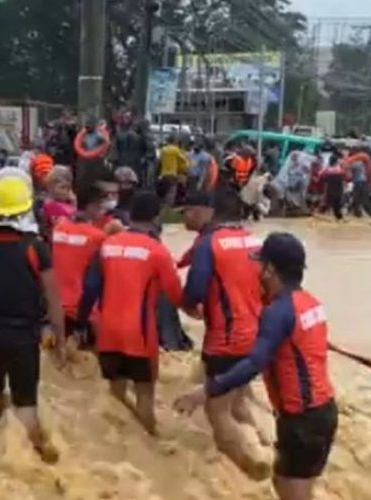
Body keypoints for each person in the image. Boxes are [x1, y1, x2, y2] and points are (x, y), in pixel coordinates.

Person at [174, 232, 337, 500]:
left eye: (260, 264)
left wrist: (206, 390)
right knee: (286, 484)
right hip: (322, 411)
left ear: (271, 270)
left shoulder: (278, 312)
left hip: (301, 419)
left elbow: (253, 363)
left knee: (293, 492)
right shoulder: (310, 303)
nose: (257, 270)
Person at [0, 175, 65, 463]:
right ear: (25, 211)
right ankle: (41, 459)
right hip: (21, 337)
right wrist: (58, 340)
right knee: (25, 404)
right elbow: (54, 300)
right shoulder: (36, 249)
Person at [176, 188, 269, 475]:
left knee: (216, 410)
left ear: (209, 212)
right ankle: (266, 444)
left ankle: (250, 466)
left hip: (227, 339)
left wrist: (187, 304)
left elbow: (194, 290)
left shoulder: (209, 245)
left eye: (189, 211)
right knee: (237, 400)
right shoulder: (253, 240)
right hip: (259, 336)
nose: (184, 219)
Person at [77, 191, 183, 435]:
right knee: (145, 395)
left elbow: (91, 288)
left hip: (108, 332)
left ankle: (119, 446)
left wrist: (81, 324)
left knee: (115, 397)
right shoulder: (158, 251)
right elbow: (176, 295)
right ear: (156, 218)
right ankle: (149, 450)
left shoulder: (107, 244)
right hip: (140, 335)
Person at [51, 187, 108, 347]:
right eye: (101, 205)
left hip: (54, 306)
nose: (103, 210)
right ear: (91, 206)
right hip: (84, 311)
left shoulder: (58, 229)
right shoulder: (98, 237)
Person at [158, 136, 189, 205]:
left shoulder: (163, 150)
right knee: (172, 191)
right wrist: (186, 168)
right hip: (173, 174)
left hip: (164, 174)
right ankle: (168, 208)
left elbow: (160, 161)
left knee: (165, 191)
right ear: (174, 141)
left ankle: (164, 206)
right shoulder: (176, 150)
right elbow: (183, 160)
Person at [346, 149, 371, 220]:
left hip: (358, 183)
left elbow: (349, 176)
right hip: (364, 182)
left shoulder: (352, 164)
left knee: (356, 198)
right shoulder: (362, 162)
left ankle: (356, 213)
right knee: (364, 199)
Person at [319, 154, 346, 221]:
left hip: (330, 185)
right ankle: (339, 217)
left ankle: (321, 213)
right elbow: (344, 176)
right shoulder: (339, 168)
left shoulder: (327, 168)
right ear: (336, 161)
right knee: (337, 202)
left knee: (328, 200)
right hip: (338, 186)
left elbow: (321, 174)